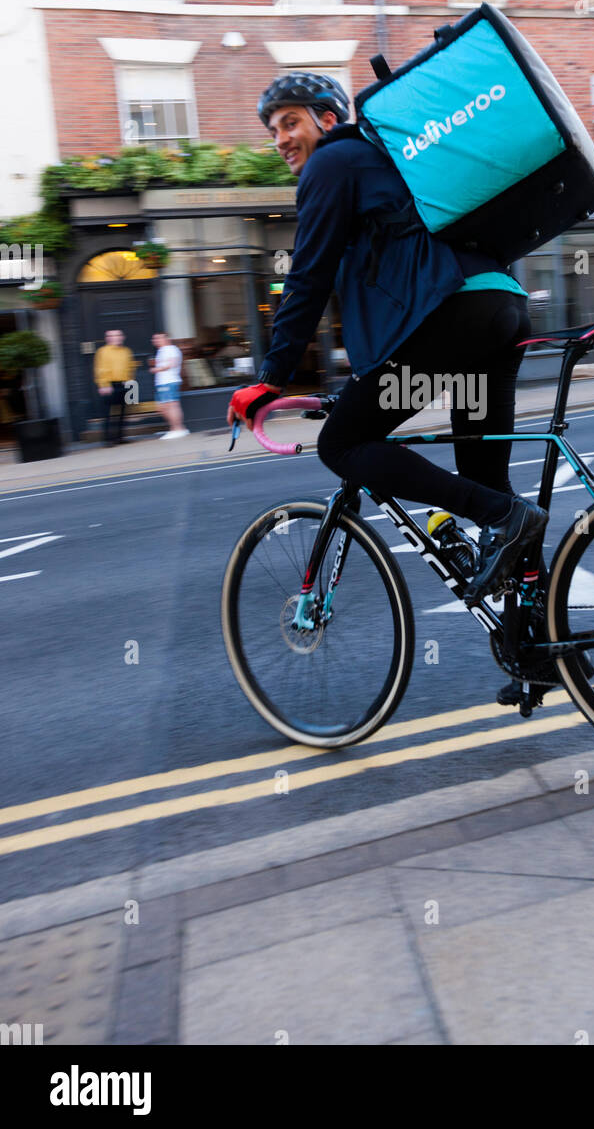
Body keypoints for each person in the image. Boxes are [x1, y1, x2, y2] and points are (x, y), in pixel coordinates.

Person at [227, 73, 550, 702]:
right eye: (272, 130)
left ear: (327, 118)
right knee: (487, 487)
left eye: (289, 122)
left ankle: (504, 519)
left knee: (343, 444)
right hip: (498, 311)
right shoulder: (390, 161)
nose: (280, 140)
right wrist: (358, 379)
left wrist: (269, 379)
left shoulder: (336, 162)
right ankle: (535, 649)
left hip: (453, 319)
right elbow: (387, 282)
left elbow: (309, 278)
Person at [93, 329, 137, 446]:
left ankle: (120, 437)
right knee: (108, 414)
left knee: (123, 412)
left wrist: (131, 383)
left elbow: (130, 367)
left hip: (125, 384)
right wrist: (103, 385)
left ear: (122, 337)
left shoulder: (127, 351)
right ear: (107, 338)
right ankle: (108, 439)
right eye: (112, 336)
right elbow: (100, 369)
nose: (115, 338)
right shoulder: (102, 351)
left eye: (118, 335)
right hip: (109, 385)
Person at [150, 332, 189, 438]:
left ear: (166, 338)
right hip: (162, 382)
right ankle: (176, 428)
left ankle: (178, 429)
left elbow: (173, 364)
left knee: (171, 405)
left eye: (158, 338)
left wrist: (157, 368)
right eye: (154, 339)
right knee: (162, 407)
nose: (155, 340)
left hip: (169, 381)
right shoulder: (161, 350)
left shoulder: (171, 349)